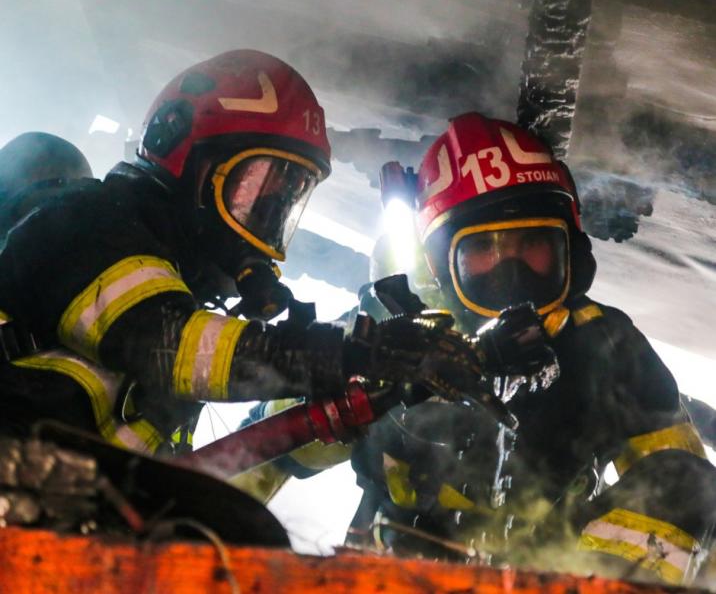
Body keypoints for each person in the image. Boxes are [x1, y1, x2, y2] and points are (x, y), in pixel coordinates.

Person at [244, 112, 716, 585]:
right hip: (392, 578)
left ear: (568, 249)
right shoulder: (383, 341)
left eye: (532, 243)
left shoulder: (605, 346)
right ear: (442, 264)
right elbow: (262, 453)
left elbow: (684, 485)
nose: (512, 273)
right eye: (484, 249)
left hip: (549, 579)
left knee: (688, 484)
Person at [0, 50, 474, 458]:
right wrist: (354, 353)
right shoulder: (84, 221)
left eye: (284, 200)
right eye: (256, 187)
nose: (265, 218)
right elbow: (167, 344)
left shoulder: (173, 285)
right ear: (185, 157)